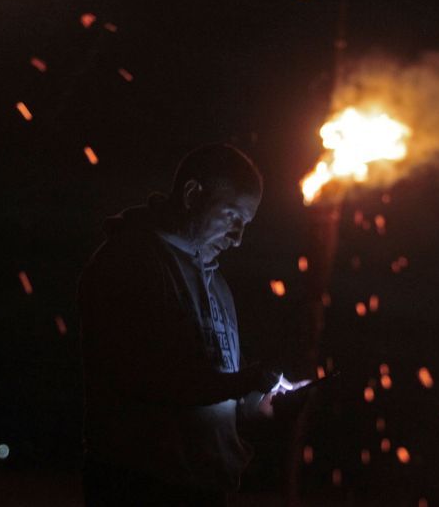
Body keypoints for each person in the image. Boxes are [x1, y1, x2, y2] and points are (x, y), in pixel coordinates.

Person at [78, 144, 305, 506]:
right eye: (231, 217)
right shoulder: (130, 262)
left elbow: (215, 389)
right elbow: (150, 380)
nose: (238, 238)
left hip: (203, 487)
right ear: (193, 194)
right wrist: (245, 380)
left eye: (245, 225)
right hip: (138, 486)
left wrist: (263, 400)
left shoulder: (218, 285)